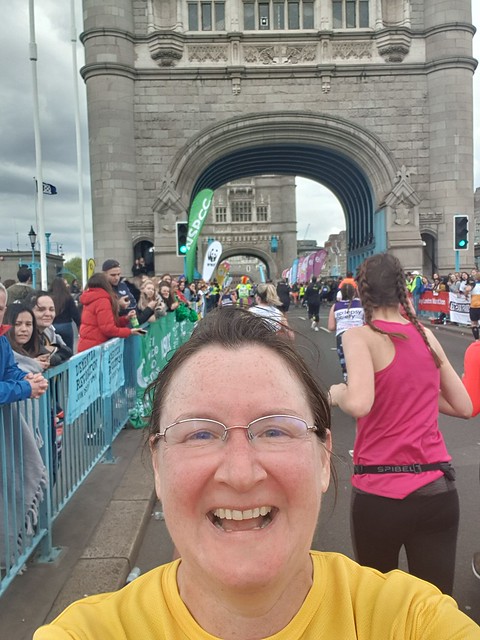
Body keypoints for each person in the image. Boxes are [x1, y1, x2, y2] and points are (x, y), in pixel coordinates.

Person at [34, 307, 480, 639]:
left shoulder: (409, 622)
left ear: (325, 457)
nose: (241, 473)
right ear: (157, 463)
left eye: (274, 430)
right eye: (200, 435)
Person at [329, 253, 472, 595]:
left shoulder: (360, 336)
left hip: (380, 493)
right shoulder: (425, 334)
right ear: (401, 289)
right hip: (437, 489)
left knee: (378, 605)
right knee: (436, 608)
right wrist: (413, 390)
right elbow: (464, 404)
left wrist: (338, 393)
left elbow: (360, 402)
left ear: (364, 292)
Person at [77, 273, 145, 352]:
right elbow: (108, 329)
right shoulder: (103, 301)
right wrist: (129, 331)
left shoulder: (91, 298)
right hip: (96, 348)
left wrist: (126, 318)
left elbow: (105, 323)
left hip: (87, 345)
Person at [327, 283, 364, 381]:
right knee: (361, 362)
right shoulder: (361, 304)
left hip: (342, 337)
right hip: (359, 334)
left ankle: (347, 380)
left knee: (346, 364)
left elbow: (331, 327)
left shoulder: (335, 306)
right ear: (354, 292)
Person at [26, 291, 73, 366]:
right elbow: (43, 354)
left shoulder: (49, 331)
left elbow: (68, 351)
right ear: (29, 311)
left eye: (51, 309)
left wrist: (54, 350)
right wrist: (56, 352)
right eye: (41, 310)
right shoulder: (25, 334)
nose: (48, 314)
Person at [49, 277, 81, 351]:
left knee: (53, 349)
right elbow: (75, 314)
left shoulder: (49, 297)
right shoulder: (68, 297)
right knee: (68, 350)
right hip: (66, 325)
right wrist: (79, 326)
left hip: (52, 326)